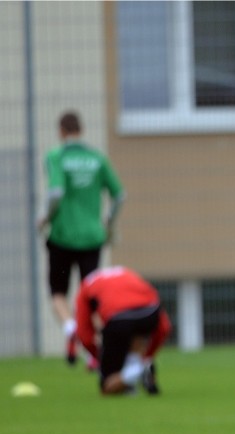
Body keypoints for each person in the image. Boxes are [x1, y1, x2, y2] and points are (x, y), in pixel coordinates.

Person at [36, 110, 125, 366]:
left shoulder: (56, 156)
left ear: (61, 131)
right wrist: (109, 221)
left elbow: (55, 192)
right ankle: (94, 352)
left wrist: (45, 217)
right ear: (81, 130)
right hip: (91, 238)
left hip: (62, 236)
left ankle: (70, 328)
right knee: (91, 297)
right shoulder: (97, 158)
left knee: (58, 292)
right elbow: (120, 195)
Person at [75, 266, 171, 396]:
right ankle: (137, 370)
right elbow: (164, 326)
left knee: (107, 388)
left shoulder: (86, 285)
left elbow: (84, 333)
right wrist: (148, 356)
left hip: (118, 319)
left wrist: (100, 358)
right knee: (136, 334)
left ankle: (138, 371)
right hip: (150, 312)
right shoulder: (127, 273)